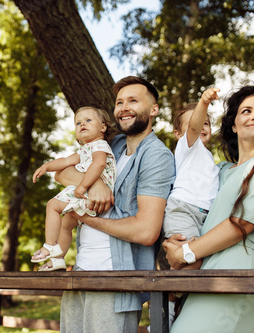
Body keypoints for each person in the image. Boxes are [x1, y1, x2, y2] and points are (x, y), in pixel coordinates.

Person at [163, 85, 254, 333]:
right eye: (246, 110)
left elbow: (242, 224)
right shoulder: (221, 171)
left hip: (236, 271)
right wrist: (173, 240)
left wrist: (185, 253)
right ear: (233, 125)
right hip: (204, 271)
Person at [55, 76, 176, 333]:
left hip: (115, 280)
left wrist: (88, 218)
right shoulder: (112, 145)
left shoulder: (156, 156)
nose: (124, 107)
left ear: (153, 109)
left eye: (133, 100)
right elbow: (60, 174)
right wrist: (95, 184)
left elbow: (146, 231)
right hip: (80, 270)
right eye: (119, 102)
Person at [161, 88, 221, 328]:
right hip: (182, 210)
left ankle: (177, 309)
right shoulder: (187, 148)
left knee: (197, 265)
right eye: (198, 121)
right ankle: (167, 302)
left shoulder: (211, 161)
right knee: (193, 262)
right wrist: (204, 102)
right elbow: (193, 128)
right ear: (179, 134)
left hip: (203, 218)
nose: (202, 125)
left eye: (207, 122)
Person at [30, 106, 117, 271]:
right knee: (65, 224)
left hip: (90, 193)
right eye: (78, 123)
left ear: (103, 127)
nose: (82, 124)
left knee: (52, 206)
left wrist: (83, 185)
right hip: (88, 198)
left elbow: (99, 164)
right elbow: (64, 161)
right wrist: (46, 166)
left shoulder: (99, 146)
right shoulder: (85, 149)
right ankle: (57, 259)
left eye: (88, 120)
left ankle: (49, 245)